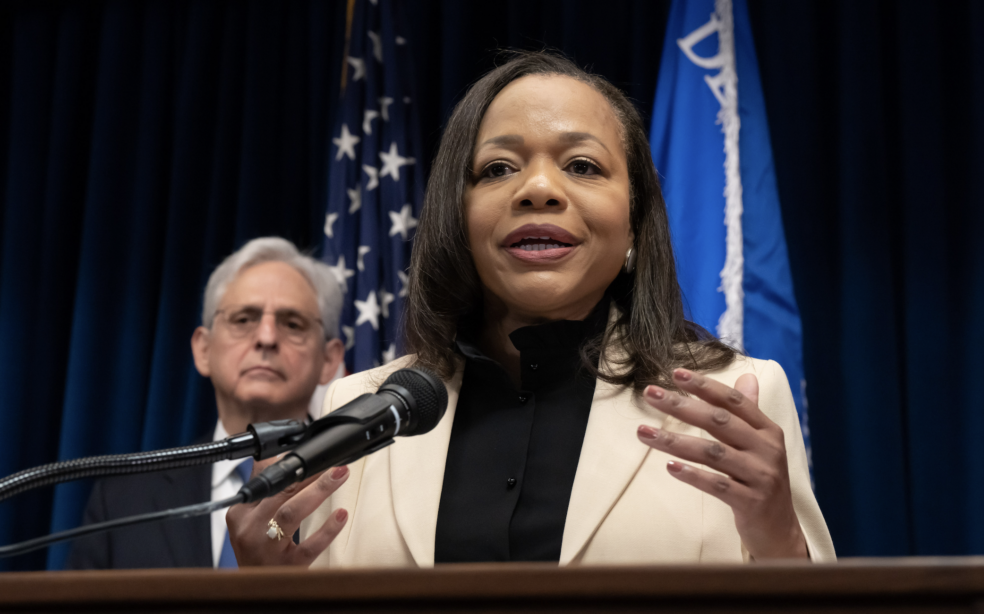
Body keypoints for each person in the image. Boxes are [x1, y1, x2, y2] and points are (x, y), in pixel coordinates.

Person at [226, 52, 835, 567]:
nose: (538, 188)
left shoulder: (738, 396)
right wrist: (267, 590)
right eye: (498, 169)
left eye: (582, 166)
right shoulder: (358, 412)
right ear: (456, 218)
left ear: (634, 224)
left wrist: (778, 539)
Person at [67, 237, 343, 569]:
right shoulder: (123, 504)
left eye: (292, 324)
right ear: (203, 349)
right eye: (243, 319)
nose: (266, 338)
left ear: (330, 360)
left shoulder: (356, 489)